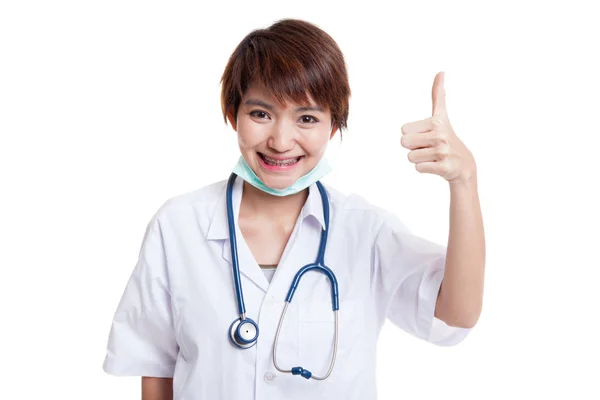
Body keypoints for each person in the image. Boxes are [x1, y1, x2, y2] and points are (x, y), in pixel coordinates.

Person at [102, 18, 485, 400]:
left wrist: (464, 180)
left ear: (333, 126)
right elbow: (155, 365)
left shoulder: (366, 231)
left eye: (306, 118)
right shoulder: (178, 226)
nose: (281, 141)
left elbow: (456, 314)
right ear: (233, 114)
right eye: (261, 114)